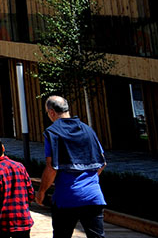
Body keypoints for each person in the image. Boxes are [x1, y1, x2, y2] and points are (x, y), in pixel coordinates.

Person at [36, 95, 107, 238]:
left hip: (66, 198)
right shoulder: (88, 130)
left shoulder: (52, 132)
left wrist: (42, 191)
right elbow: (102, 163)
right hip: (93, 196)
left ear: (51, 112)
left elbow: (52, 168)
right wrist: (89, 180)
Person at [0, 135, 34, 238]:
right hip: (23, 219)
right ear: (3, 148)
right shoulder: (20, 167)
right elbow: (31, 194)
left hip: (2, 221)